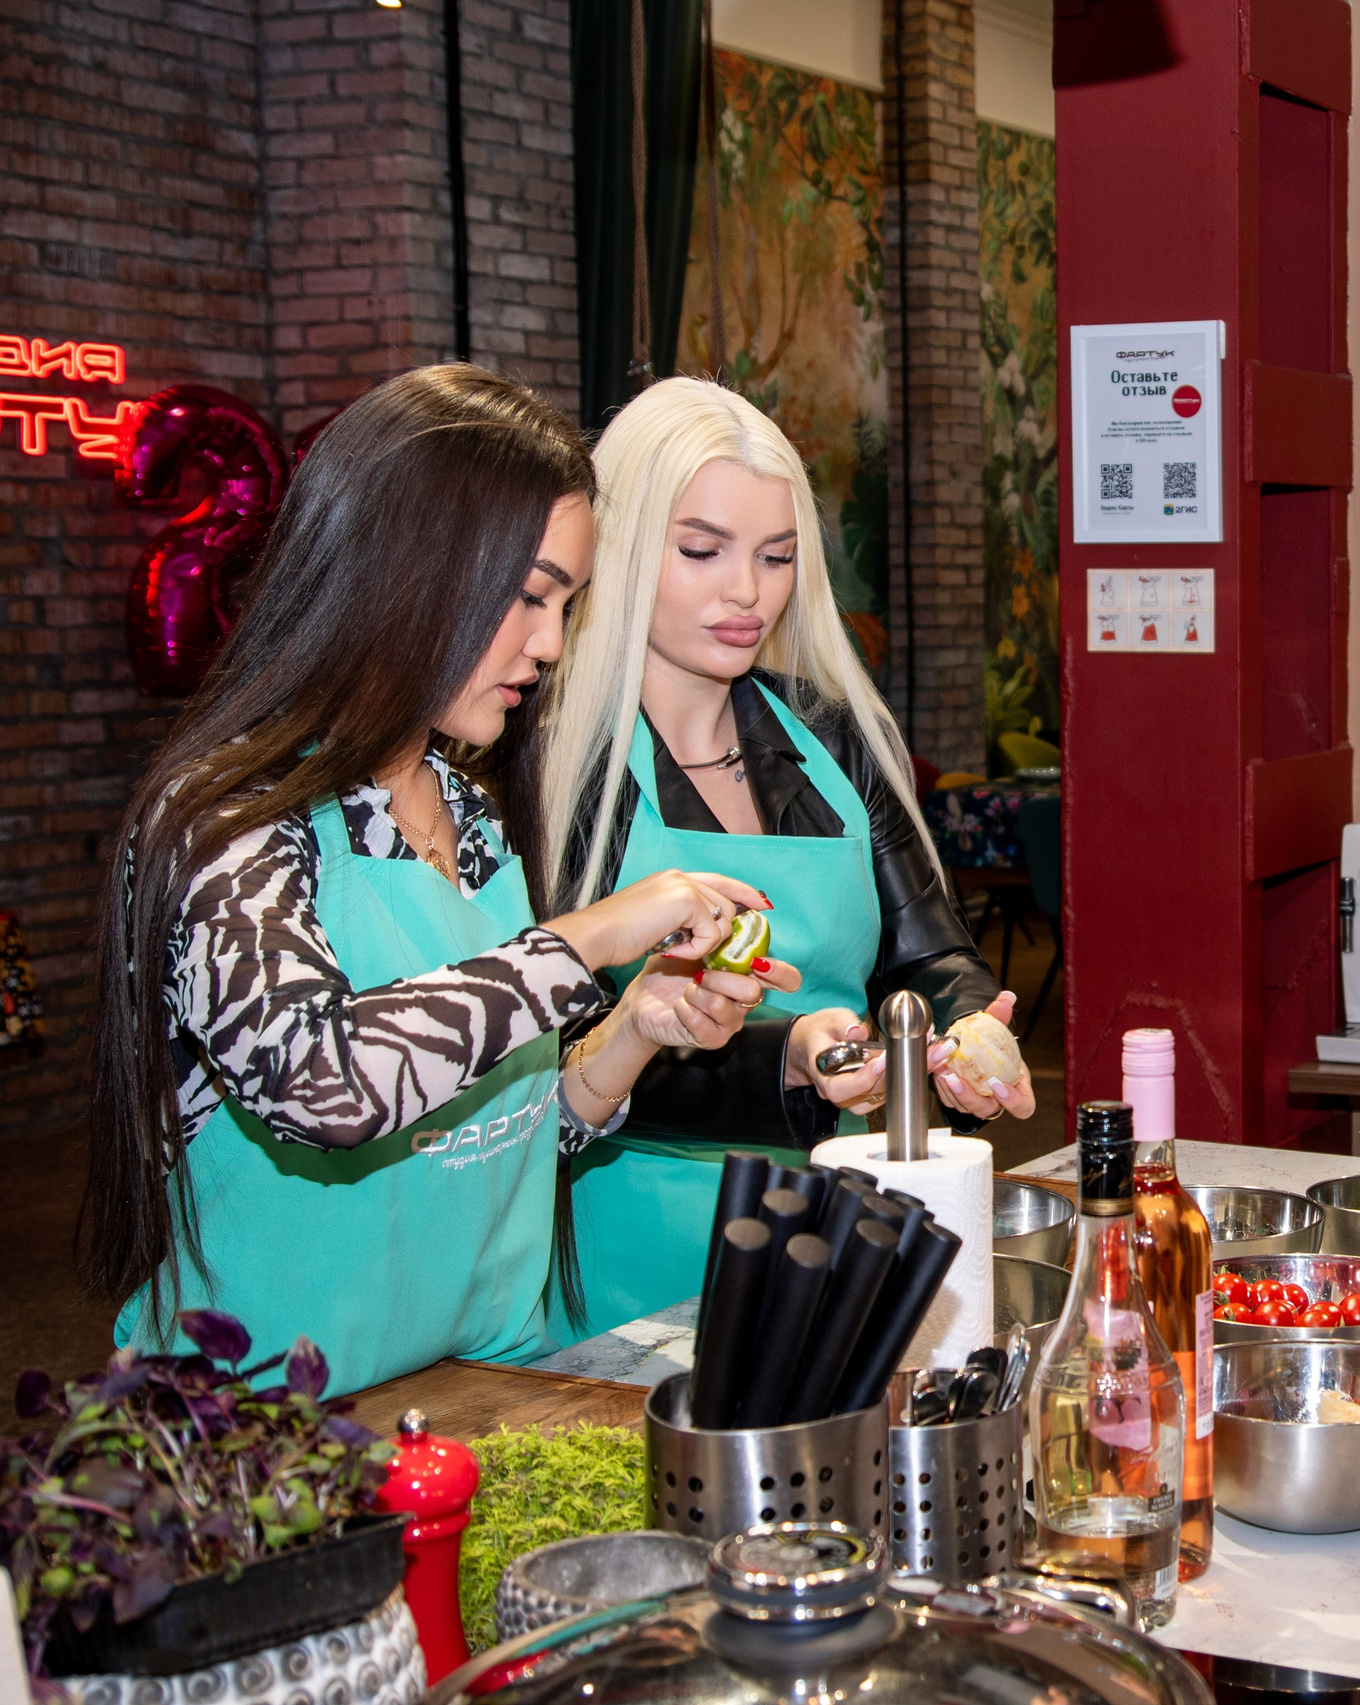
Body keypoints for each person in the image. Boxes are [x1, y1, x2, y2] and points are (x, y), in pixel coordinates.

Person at [83, 367, 795, 1396]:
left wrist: (637, 1028)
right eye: (528, 597)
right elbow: (318, 1081)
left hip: (482, 1384)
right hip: (268, 1427)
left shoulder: (464, 810)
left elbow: (485, 1136)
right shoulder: (228, 820)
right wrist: (589, 939)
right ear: (407, 570)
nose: (549, 644)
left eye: (565, 604)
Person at [541, 377, 1033, 1331]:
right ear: (624, 545)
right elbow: (557, 1063)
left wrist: (964, 1037)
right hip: (632, 1260)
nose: (747, 593)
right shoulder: (556, 770)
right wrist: (791, 1059)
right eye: (702, 551)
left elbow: (928, 954)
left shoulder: (830, 739)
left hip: (840, 1231)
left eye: (776, 558)